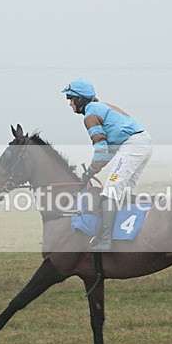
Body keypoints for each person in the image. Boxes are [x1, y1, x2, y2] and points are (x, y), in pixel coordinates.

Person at [62, 78, 153, 252]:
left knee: (110, 192)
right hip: (142, 142)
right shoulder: (100, 107)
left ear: (80, 99)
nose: (70, 103)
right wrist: (96, 168)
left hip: (133, 145)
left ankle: (105, 241)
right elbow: (109, 150)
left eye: (71, 99)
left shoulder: (90, 114)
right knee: (123, 192)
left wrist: (91, 171)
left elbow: (101, 148)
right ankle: (124, 235)